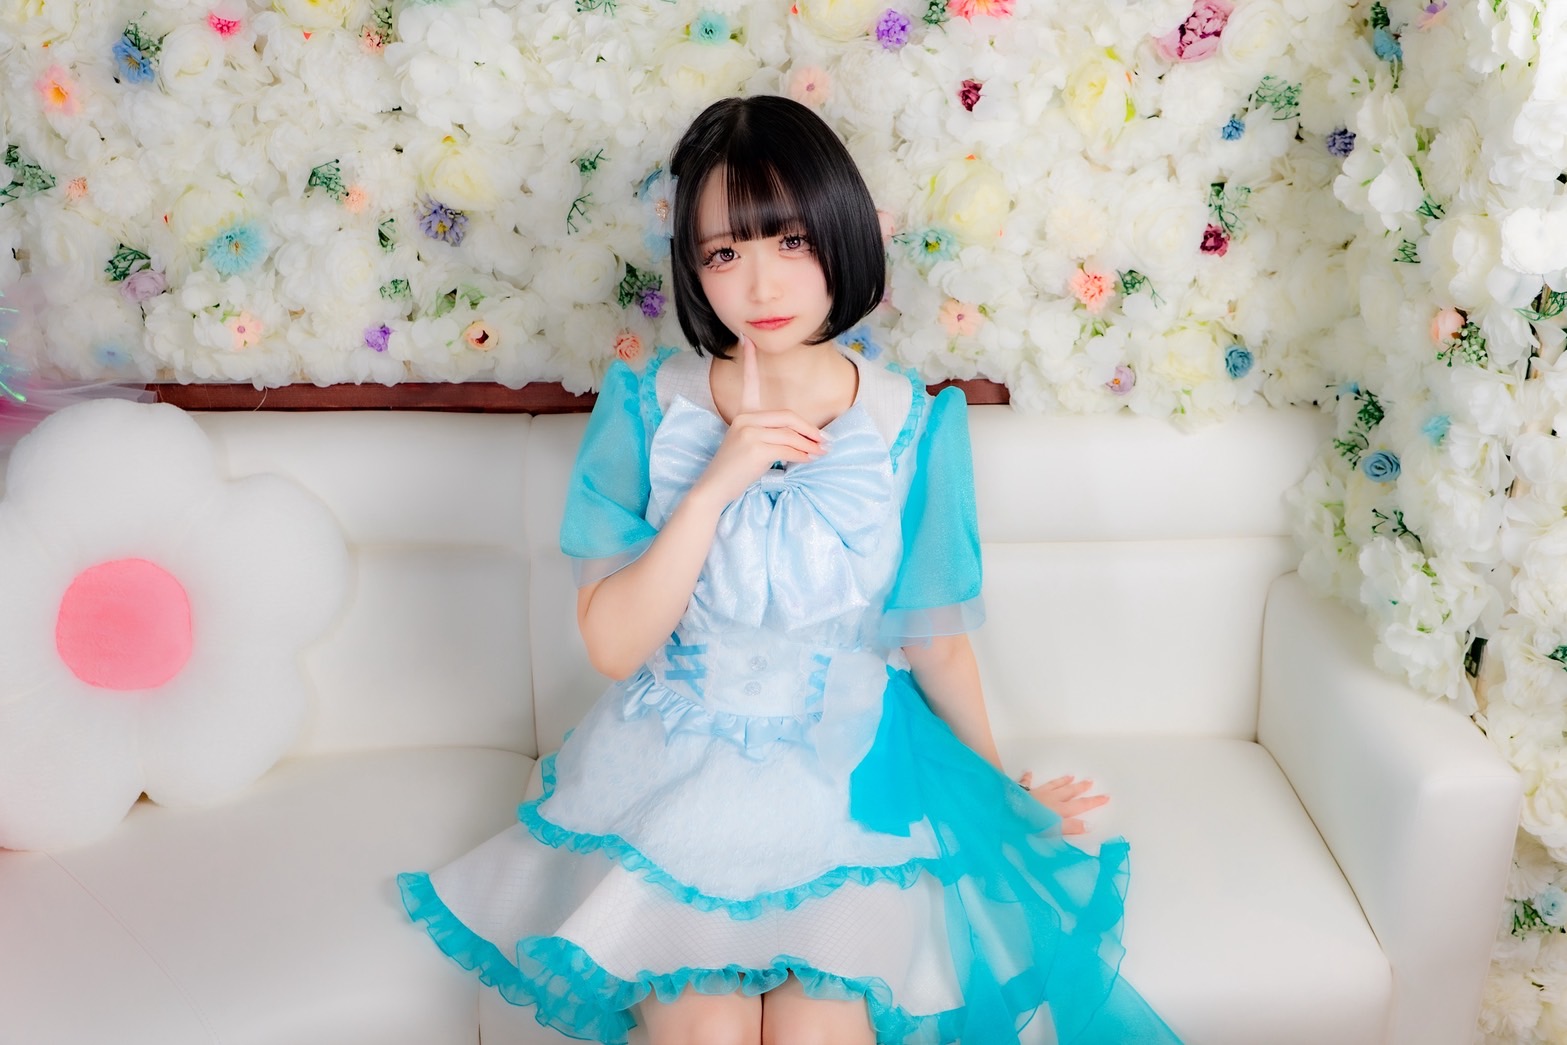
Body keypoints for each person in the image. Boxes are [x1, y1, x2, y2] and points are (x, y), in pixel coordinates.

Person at [398, 94, 1182, 1045]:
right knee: (708, 1035)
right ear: (694, 266)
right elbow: (612, 644)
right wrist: (712, 488)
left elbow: (936, 647)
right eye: (724, 252)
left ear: (841, 236)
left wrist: (995, 801)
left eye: (792, 241)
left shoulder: (911, 420)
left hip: (848, 785)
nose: (760, 282)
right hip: (674, 778)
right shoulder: (647, 407)